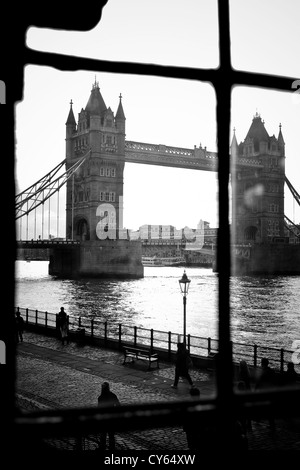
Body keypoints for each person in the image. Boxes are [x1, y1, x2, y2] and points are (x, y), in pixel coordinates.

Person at [97, 382, 120, 451]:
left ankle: (102, 447)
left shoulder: (100, 398)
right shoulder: (113, 395)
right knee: (111, 435)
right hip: (111, 419)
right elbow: (118, 405)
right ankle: (112, 448)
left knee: (103, 435)